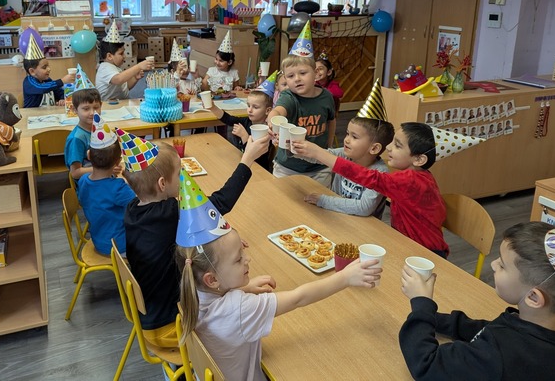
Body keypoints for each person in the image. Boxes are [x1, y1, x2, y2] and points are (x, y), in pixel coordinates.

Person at [175, 179, 381, 381]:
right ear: (212, 280)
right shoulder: (239, 309)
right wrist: (345, 277)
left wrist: (245, 288)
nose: (247, 259)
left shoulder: (192, 288)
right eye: (238, 259)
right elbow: (298, 298)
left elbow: (223, 304)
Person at [120, 129, 270, 347]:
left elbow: (174, 236)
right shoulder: (169, 212)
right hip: (171, 324)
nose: (183, 176)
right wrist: (247, 159)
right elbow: (221, 202)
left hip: (151, 313)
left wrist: (217, 235)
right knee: (239, 320)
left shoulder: (133, 210)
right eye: (179, 173)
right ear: (162, 184)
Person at [399, 222, 555, 380]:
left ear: (533, 297)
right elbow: (494, 329)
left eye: (502, 266)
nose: (493, 265)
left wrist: (421, 304)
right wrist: (434, 319)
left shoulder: (499, 353)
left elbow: (427, 365)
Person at [294, 122, 485, 257]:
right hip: (405, 244)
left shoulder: (411, 181)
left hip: (425, 253)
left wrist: (318, 152)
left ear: (419, 159)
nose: (389, 148)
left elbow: (369, 178)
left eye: (397, 146)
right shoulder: (418, 177)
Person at [267, 52, 336, 186]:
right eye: (291, 76)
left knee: (319, 198)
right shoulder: (288, 96)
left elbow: (331, 120)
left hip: (320, 168)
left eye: (303, 73)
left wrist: (329, 145)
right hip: (287, 167)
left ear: (316, 73)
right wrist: (272, 121)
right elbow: (278, 111)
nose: (297, 79)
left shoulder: (327, 97)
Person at [304, 116, 394, 218]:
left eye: (354, 137)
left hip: (362, 224)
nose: (346, 140)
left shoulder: (380, 173)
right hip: (336, 214)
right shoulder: (345, 154)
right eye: (347, 133)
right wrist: (295, 149)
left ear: (374, 148)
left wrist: (324, 201)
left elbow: (364, 208)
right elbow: (320, 157)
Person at [76, 114, 133, 255]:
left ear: (89, 155)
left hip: (98, 240)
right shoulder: (118, 188)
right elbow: (140, 206)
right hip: (120, 246)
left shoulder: (83, 180)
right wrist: (130, 178)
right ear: (118, 161)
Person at [207, 72, 276, 171]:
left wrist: (245, 137)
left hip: (258, 170)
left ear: (267, 110)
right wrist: (212, 108)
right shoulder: (246, 121)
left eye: (255, 107)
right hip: (244, 165)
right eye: (248, 105)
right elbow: (228, 119)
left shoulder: (268, 131)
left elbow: (258, 159)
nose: (250, 110)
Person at [95, 21, 153, 101]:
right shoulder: (105, 67)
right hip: (107, 105)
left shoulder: (115, 68)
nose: (124, 56)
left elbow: (124, 89)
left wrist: (135, 78)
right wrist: (138, 66)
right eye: (121, 53)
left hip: (119, 102)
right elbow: (118, 79)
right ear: (109, 56)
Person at [22, 34, 74, 108]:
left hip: (49, 114)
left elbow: (59, 92)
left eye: (48, 66)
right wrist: (62, 81)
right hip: (32, 114)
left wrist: (62, 98)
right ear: (32, 71)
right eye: (44, 67)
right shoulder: (28, 83)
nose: (49, 69)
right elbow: (41, 88)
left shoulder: (47, 80)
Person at [65, 87, 102, 183]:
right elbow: (75, 172)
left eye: (96, 107)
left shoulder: (98, 128)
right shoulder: (77, 138)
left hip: (101, 176)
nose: (92, 113)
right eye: (86, 109)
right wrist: (104, 170)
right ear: (74, 110)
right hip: (89, 184)